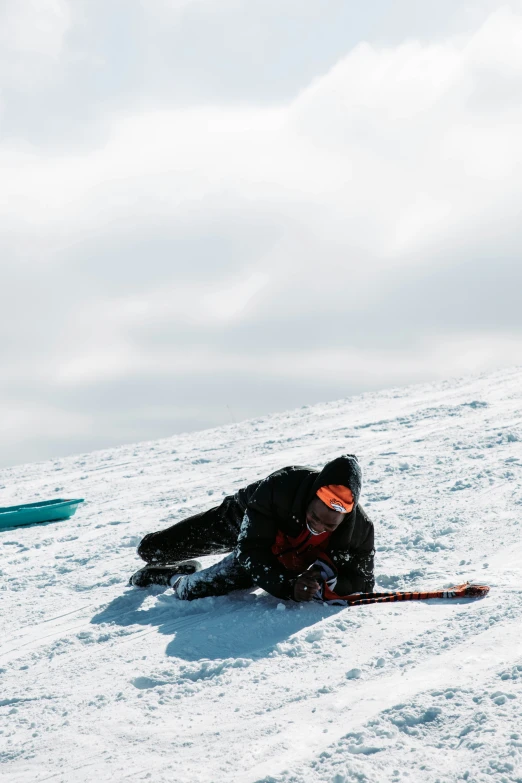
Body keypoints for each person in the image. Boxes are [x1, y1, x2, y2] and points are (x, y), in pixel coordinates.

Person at [129, 454, 375, 603]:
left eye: (329, 525)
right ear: (310, 497)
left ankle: (168, 576)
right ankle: (162, 560)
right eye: (313, 516)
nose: (317, 526)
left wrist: (323, 582)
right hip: (242, 521)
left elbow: (363, 581)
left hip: (278, 555)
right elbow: (251, 548)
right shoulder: (281, 486)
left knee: (192, 591)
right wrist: (289, 586)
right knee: (151, 550)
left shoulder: (360, 530)